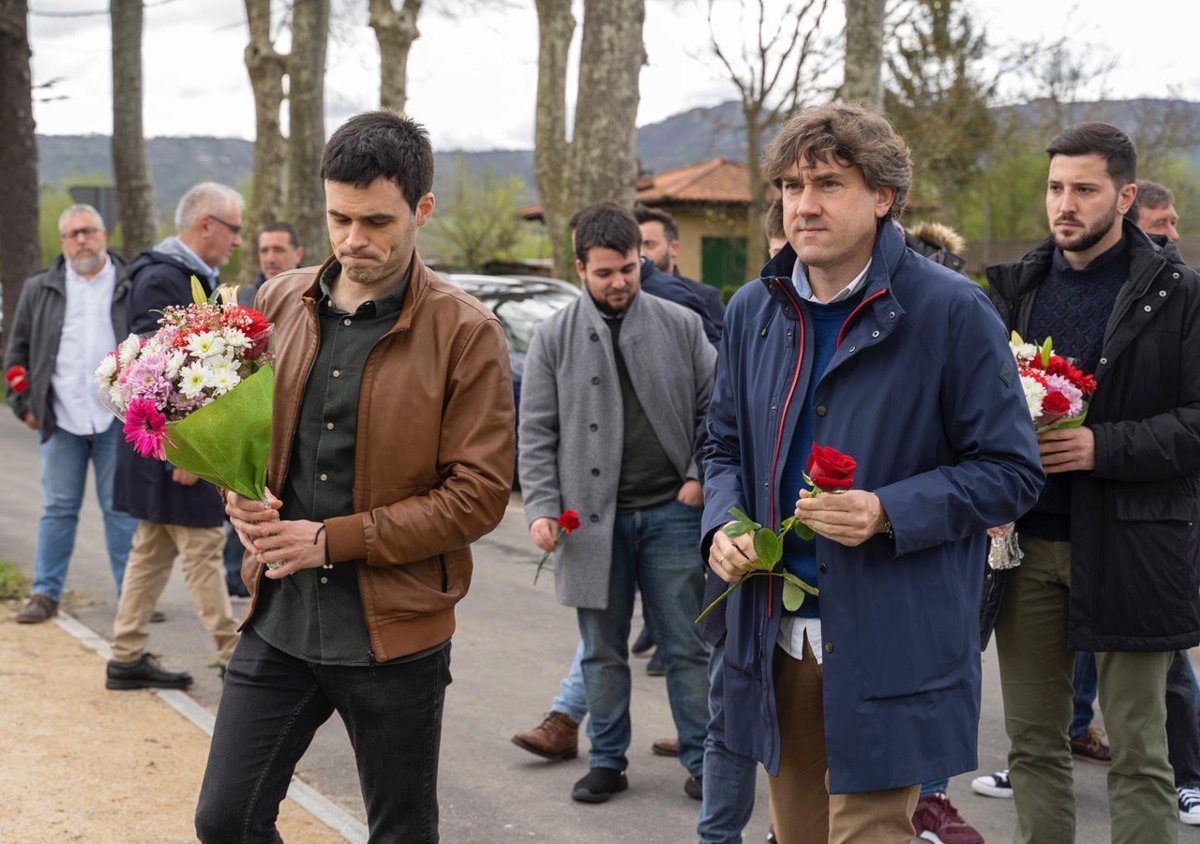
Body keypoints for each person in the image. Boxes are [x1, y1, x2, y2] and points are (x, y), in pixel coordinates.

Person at [703, 102, 1043, 842]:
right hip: (774, 631)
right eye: (791, 186)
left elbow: (1012, 472)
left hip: (892, 634)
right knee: (796, 833)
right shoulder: (754, 309)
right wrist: (722, 526)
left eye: (828, 184)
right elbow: (722, 446)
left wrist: (886, 510)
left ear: (884, 196)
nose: (803, 205)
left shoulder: (953, 311)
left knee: (871, 833)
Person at [194, 111, 514, 842]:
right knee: (225, 820)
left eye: (376, 221)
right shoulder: (275, 300)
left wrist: (331, 540)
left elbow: (479, 496)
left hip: (395, 635)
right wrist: (234, 490)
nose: (352, 239)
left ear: (422, 210)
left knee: (401, 833)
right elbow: (233, 434)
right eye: (339, 217)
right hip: (278, 617)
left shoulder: (467, 331)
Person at [987, 122, 1200, 844]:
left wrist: (1099, 446)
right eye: (1055, 188)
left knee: (1140, 753)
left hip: (1135, 545)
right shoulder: (1014, 290)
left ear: (1125, 196)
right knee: (1032, 746)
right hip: (1025, 548)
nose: (1065, 204)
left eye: (1084, 189)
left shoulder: (1180, 294)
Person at [518, 201, 715, 804]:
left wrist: (698, 476)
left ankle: (705, 762)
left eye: (628, 268)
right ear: (580, 268)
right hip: (587, 523)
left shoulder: (682, 325)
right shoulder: (552, 337)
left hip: (674, 513)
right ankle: (606, 761)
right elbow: (536, 432)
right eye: (604, 272)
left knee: (687, 647)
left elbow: (717, 410)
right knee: (602, 653)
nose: (619, 282)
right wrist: (542, 508)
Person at [105, 183, 246, 691]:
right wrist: (183, 453)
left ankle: (125, 655)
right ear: (206, 224)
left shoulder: (179, 274)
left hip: (163, 448)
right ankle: (234, 658)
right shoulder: (164, 278)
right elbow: (156, 372)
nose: (237, 240)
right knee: (204, 544)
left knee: (152, 548)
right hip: (173, 449)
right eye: (234, 229)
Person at [5, 204, 140, 624]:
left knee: (120, 509)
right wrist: (25, 406)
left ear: (104, 234)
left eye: (89, 231)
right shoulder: (40, 288)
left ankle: (132, 597)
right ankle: (45, 593)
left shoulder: (129, 282)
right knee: (58, 508)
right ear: (63, 242)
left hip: (116, 418)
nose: (81, 240)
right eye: (73, 234)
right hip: (59, 417)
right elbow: (16, 352)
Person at [220, 220, 306, 599]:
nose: (270, 257)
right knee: (244, 501)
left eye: (278, 250)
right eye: (264, 250)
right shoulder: (241, 300)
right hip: (249, 420)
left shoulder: (313, 299)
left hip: (295, 421)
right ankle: (239, 577)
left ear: (297, 254)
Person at [634, 203, 726, 329]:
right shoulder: (628, 296)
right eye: (636, 246)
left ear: (674, 248)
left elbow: (719, 341)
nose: (641, 253)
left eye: (649, 244)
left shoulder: (704, 296)